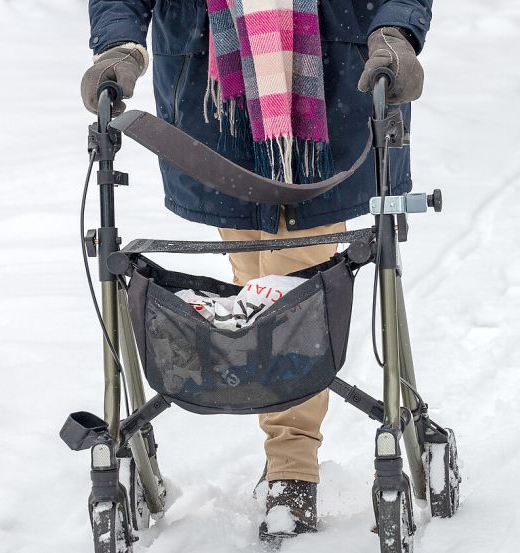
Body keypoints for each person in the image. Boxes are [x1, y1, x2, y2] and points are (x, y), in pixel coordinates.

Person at [79, 0, 432, 540]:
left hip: (333, 96)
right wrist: (119, 44)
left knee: (291, 290)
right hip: (216, 107)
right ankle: (287, 455)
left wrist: (396, 31)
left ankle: (292, 469)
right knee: (261, 286)